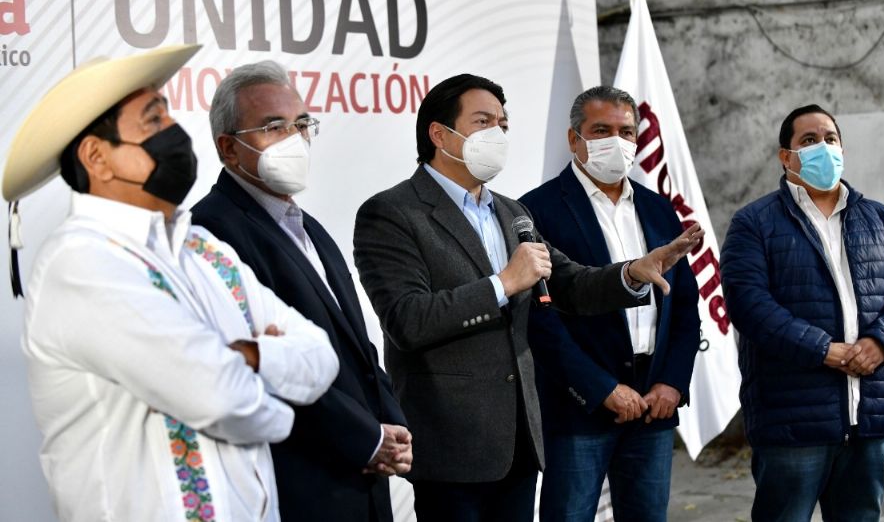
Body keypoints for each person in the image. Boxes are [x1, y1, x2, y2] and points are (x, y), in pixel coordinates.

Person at [2, 45, 340, 522]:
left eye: (167, 116)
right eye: (153, 122)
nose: (174, 133)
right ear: (97, 157)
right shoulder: (81, 262)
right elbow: (221, 397)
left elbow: (320, 356)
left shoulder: (203, 249)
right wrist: (276, 401)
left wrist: (247, 355)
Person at [352, 73, 703, 522]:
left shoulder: (509, 211)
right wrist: (503, 283)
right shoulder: (392, 212)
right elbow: (408, 319)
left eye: (503, 122)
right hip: (454, 443)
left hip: (520, 441)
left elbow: (570, 283)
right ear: (439, 134)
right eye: (483, 121)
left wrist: (631, 273)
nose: (497, 133)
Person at [192, 61, 410, 522]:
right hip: (301, 480)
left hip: (365, 475)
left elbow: (357, 344)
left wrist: (390, 423)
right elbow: (261, 364)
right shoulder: (210, 231)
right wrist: (364, 439)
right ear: (229, 149)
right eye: (274, 127)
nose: (295, 139)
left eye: (302, 124)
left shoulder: (308, 226)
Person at [719, 104, 884, 521]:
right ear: (786, 156)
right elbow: (750, 305)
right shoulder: (754, 223)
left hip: (869, 415)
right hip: (792, 421)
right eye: (809, 141)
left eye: (830, 139)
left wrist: (879, 343)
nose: (823, 148)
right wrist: (824, 350)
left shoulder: (879, 219)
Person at [518, 86, 700, 522]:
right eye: (601, 130)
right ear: (573, 139)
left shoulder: (658, 208)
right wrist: (601, 390)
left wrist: (672, 382)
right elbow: (540, 320)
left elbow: (686, 305)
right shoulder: (536, 209)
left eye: (626, 131)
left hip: (655, 401)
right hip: (580, 407)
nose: (616, 141)